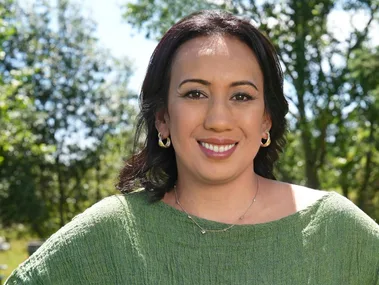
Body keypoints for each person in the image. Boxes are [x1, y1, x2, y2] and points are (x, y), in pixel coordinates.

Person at [6, 10, 379, 285]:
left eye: (242, 95)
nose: (218, 119)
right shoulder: (110, 235)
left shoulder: (337, 231)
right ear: (163, 118)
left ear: (266, 119)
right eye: (195, 93)